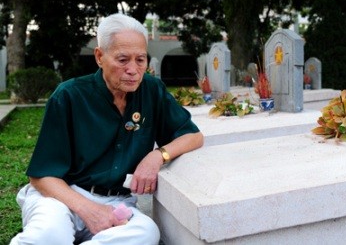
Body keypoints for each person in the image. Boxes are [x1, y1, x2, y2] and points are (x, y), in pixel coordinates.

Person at [10, 13, 204, 245]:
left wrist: (157, 155)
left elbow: (193, 135)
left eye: (140, 60)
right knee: (50, 235)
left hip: (115, 202)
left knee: (146, 232)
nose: (133, 69)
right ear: (100, 57)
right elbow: (41, 176)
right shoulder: (69, 96)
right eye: (123, 60)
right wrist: (89, 210)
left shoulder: (151, 90)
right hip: (61, 196)